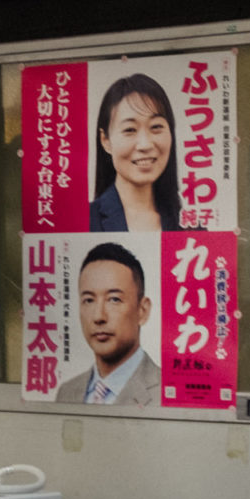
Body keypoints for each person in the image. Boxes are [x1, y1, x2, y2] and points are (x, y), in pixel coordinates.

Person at [56, 242, 160, 406]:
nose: (98, 316)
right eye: (88, 300)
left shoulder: (164, 391)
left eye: (114, 299)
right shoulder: (67, 392)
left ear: (142, 310)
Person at [89, 73, 183, 233]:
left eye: (156, 127)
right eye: (130, 130)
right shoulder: (85, 223)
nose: (145, 144)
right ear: (105, 140)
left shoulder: (189, 225)